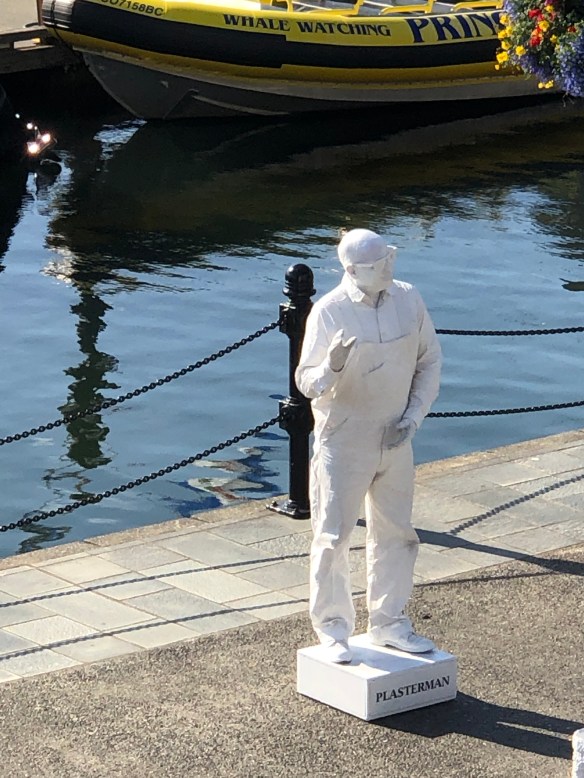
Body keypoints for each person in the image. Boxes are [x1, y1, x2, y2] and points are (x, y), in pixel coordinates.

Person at [295, 228, 442, 664]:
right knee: (333, 536)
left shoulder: (408, 298)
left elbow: (429, 361)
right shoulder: (329, 311)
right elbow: (306, 382)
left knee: (398, 533)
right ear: (353, 270)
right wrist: (331, 366)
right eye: (380, 263)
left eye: (390, 257)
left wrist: (413, 417)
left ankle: (389, 621)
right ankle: (333, 628)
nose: (390, 267)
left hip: (396, 434)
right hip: (344, 439)